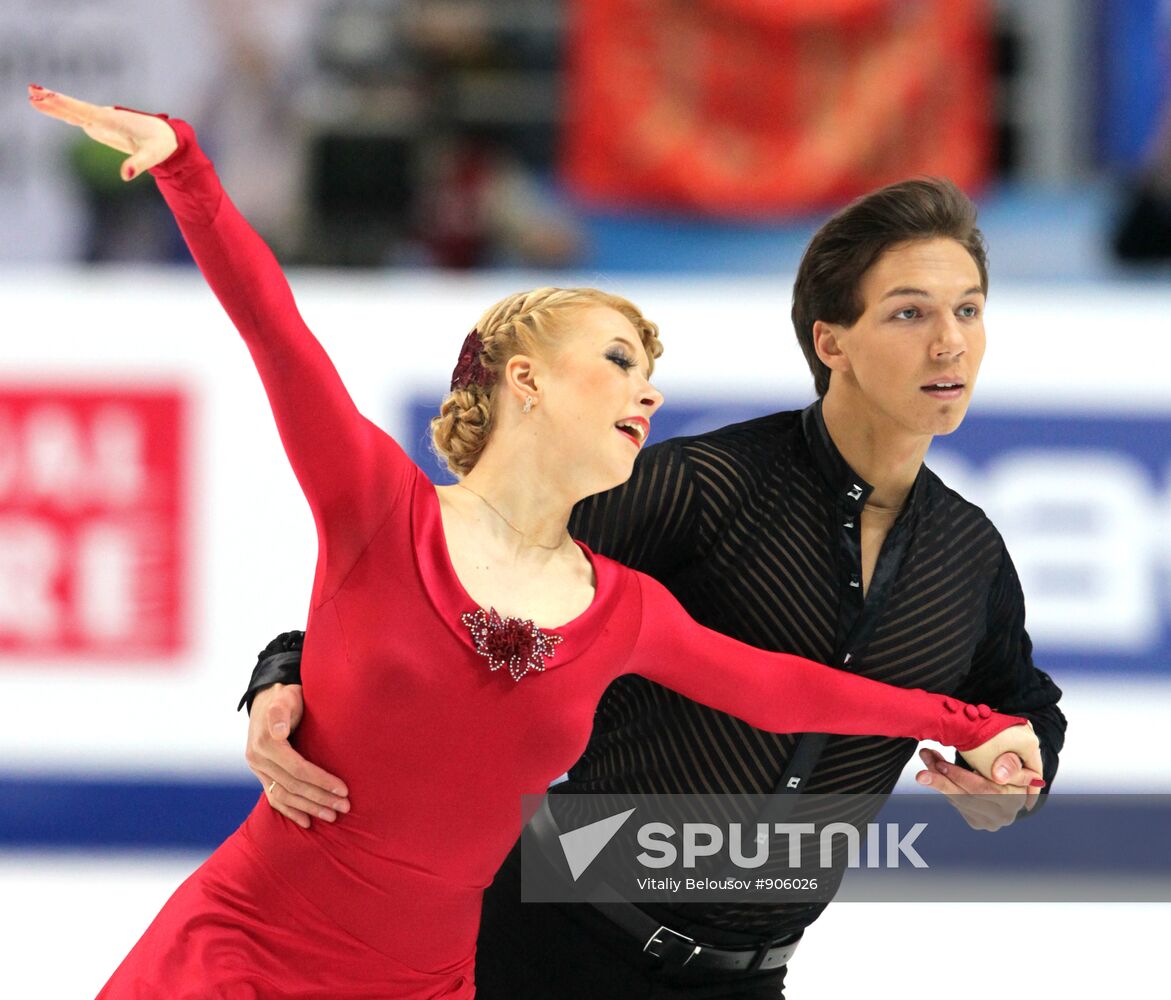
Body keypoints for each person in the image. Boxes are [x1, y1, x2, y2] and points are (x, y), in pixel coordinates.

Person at [27, 87, 1041, 1000]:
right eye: (615, 359)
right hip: (253, 947)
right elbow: (274, 328)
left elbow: (792, 687)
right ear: (526, 382)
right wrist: (185, 165)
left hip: (431, 983)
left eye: (650, 368)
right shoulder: (387, 507)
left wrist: (969, 723)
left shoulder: (624, 608)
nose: (647, 390)